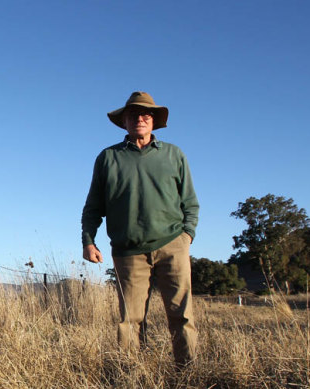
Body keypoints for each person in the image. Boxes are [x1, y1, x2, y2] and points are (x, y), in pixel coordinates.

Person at [81, 91, 199, 367]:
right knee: (129, 321)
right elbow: (93, 206)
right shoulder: (108, 158)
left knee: (181, 315)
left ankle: (188, 373)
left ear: (154, 121)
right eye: (133, 114)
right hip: (128, 251)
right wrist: (88, 240)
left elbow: (190, 202)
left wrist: (187, 235)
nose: (140, 118)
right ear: (124, 121)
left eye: (146, 114)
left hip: (172, 245)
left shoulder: (174, 155)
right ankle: (131, 374)